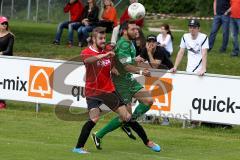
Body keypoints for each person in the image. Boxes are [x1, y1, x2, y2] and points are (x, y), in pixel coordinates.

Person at [73, 27, 159, 154]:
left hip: (108, 90)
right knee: (94, 118)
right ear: (93, 39)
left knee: (127, 116)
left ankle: (147, 142)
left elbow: (117, 62)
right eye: (100, 39)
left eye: (104, 38)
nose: (103, 41)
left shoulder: (108, 50)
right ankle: (78, 147)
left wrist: (118, 66)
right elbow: (88, 61)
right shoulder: (87, 52)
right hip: (93, 92)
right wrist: (104, 55)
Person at [170, 19, 209, 128]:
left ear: (198, 29)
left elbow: (204, 53)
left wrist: (203, 68)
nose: (192, 29)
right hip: (189, 71)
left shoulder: (204, 37)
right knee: (189, 95)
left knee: (198, 96)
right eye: (190, 27)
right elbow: (181, 52)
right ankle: (189, 120)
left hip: (199, 72)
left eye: (194, 27)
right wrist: (175, 67)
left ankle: (196, 121)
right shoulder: (185, 37)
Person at [0, 16, 14, 109]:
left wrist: (1, 53)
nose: (4, 25)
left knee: (3, 82)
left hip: (6, 62)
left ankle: (2, 102)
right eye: (3, 23)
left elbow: (9, 50)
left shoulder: (10, 36)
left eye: (6, 23)